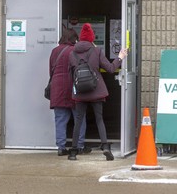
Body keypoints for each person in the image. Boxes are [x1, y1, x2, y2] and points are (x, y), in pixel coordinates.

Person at [68, 23, 128, 161]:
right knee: (99, 119)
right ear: (92, 39)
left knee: (78, 120)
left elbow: (70, 74)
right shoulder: (96, 51)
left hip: (80, 92)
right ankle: (105, 147)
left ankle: (73, 151)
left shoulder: (72, 53)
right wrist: (120, 57)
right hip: (96, 91)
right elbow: (111, 68)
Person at [49, 28, 91, 156]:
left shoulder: (55, 51)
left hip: (57, 88)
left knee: (60, 119)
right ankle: (79, 146)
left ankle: (61, 147)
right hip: (73, 88)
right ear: (74, 39)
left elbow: (51, 71)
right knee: (79, 118)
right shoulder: (75, 51)